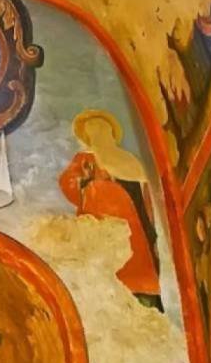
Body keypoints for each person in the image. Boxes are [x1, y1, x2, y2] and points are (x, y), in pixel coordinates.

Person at [59, 109, 162, 308]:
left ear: (111, 132)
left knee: (141, 263)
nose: (97, 131)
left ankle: (146, 299)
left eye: (101, 126)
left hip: (136, 222)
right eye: (92, 128)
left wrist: (152, 227)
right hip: (104, 225)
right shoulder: (86, 158)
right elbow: (68, 183)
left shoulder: (130, 160)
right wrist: (91, 185)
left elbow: (147, 194)